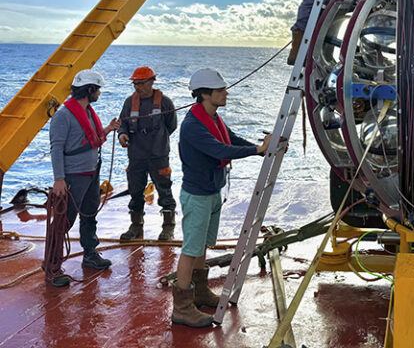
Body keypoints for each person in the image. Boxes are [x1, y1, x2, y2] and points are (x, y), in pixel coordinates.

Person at [171, 68, 273, 328]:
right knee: (191, 249)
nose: (226, 92)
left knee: (202, 245)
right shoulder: (193, 126)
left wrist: (258, 149)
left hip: (211, 191)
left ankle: (200, 291)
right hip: (198, 195)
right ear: (205, 94)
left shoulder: (212, 117)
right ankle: (181, 308)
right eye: (220, 90)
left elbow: (230, 139)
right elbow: (219, 149)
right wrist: (255, 150)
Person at [47, 69, 121, 286]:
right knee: (64, 219)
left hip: (91, 173)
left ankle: (90, 254)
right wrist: (59, 179)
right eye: (97, 89)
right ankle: (51, 265)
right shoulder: (63, 116)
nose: (99, 93)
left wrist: (107, 129)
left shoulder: (88, 112)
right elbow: (56, 148)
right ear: (89, 90)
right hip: (73, 176)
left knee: (89, 214)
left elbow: (89, 139)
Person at [117, 66, 178, 241]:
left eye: (141, 83)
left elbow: (171, 125)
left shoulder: (165, 102)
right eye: (135, 84)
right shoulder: (130, 102)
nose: (138, 87)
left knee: (164, 190)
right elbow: (123, 123)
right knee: (135, 190)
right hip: (136, 155)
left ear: (152, 82)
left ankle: (168, 227)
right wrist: (122, 134)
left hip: (158, 155)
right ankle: (136, 226)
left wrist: (158, 139)